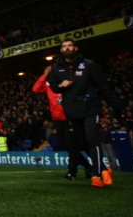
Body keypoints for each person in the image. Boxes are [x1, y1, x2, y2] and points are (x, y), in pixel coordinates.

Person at [48, 38, 121, 188]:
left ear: (75, 48)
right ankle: (104, 169)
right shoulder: (56, 68)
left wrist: (117, 106)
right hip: (71, 110)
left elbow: (103, 87)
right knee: (81, 142)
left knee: (92, 139)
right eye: (64, 46)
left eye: (70, 45)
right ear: (61, 50)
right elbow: (54, 87)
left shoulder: (89, 65)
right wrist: (60, 85)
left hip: (90, 107)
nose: (67, 48)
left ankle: (97, 174)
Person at [32, 66, 92, 180]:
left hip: (70, 118)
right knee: (67, 147)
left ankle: (72, 171)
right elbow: (35, 89)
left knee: (73, 146)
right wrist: (44, 76)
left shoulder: (68, 83)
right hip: (58, 121)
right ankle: (88, 167)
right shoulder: (50, 86)